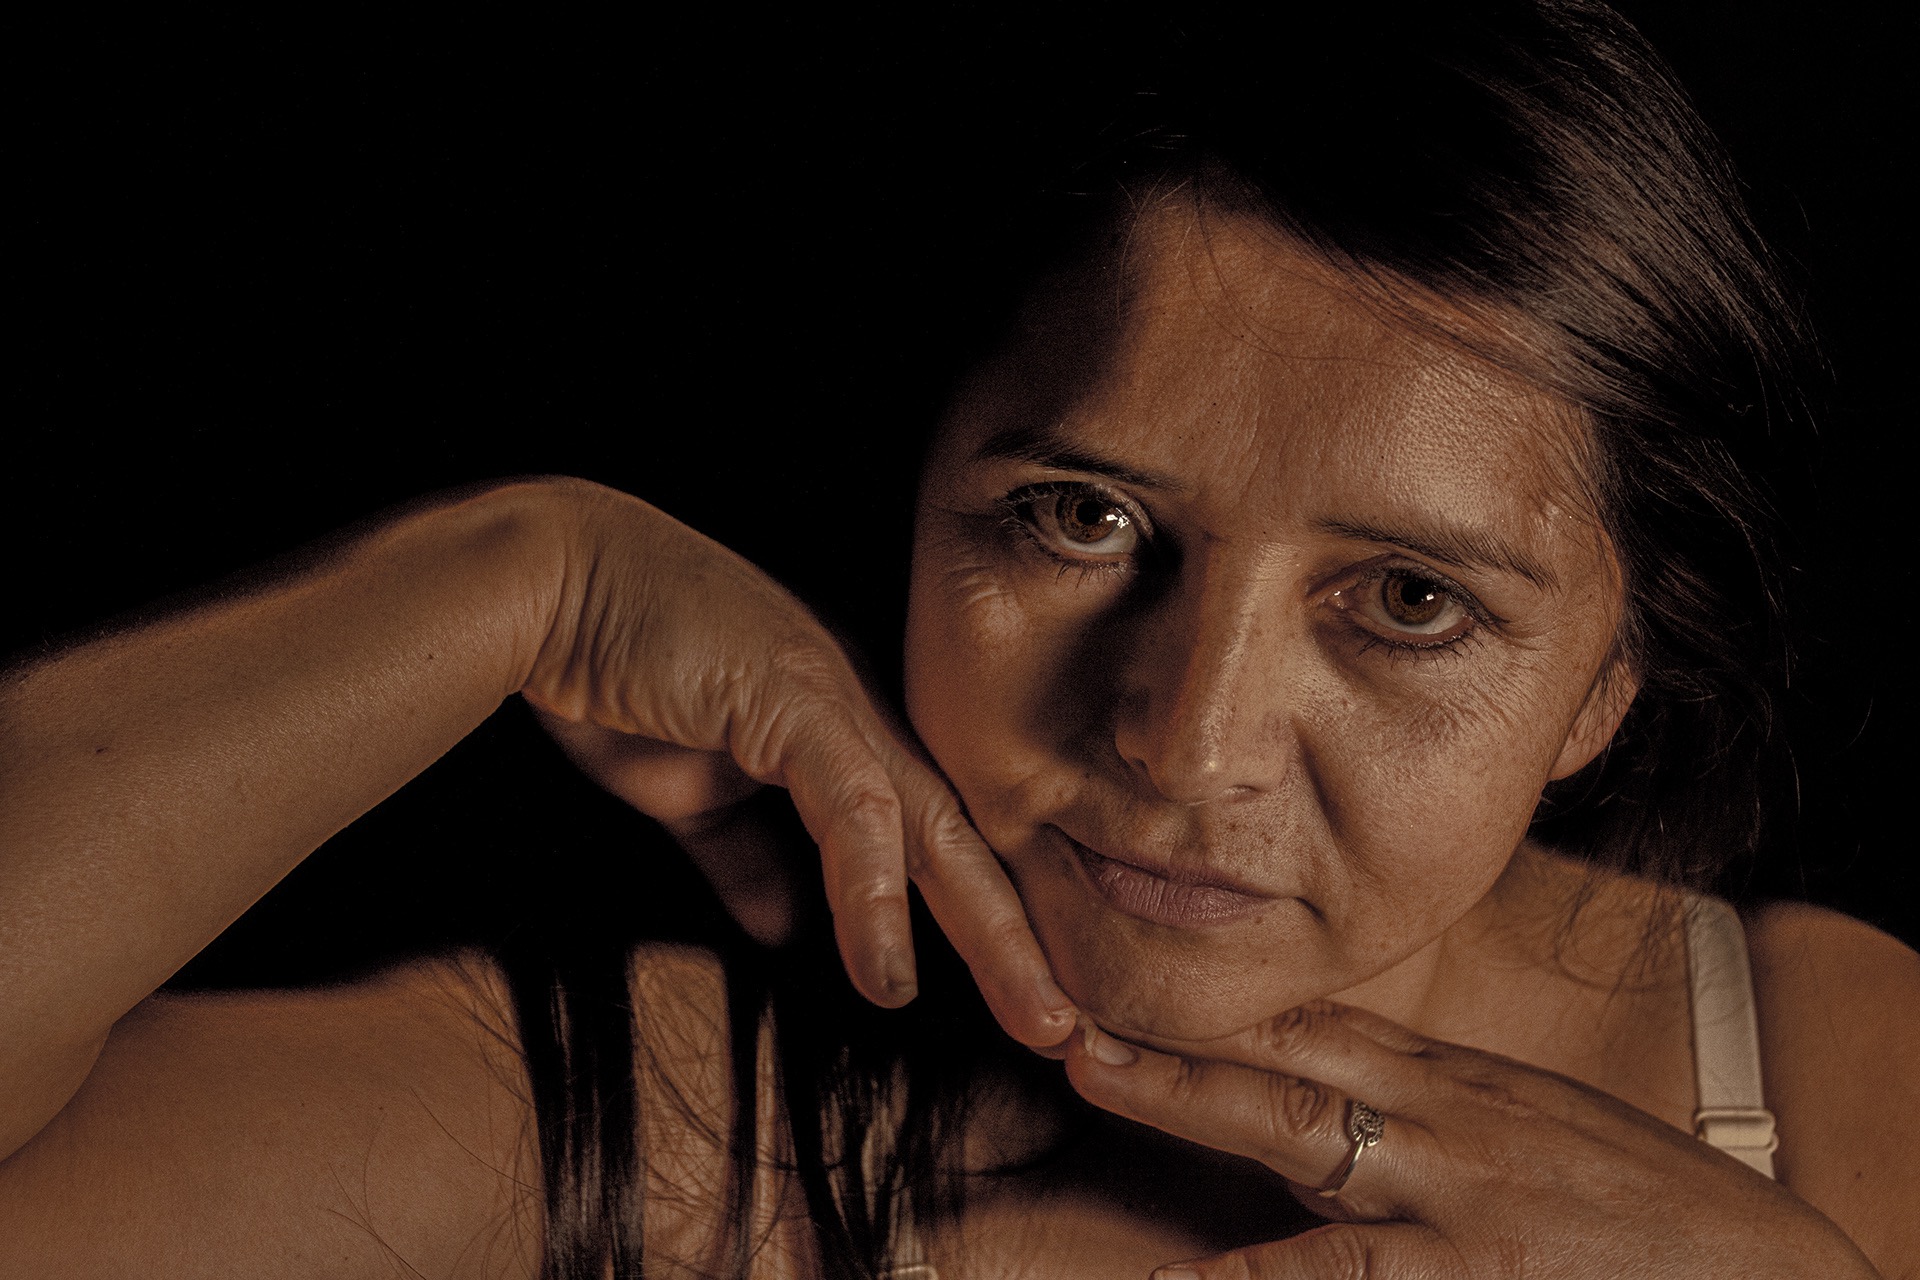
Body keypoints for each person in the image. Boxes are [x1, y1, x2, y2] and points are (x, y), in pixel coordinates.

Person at [2, 2, 1915, 1277]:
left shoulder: (1830, 1060)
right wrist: (513, 579)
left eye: (1410, 603)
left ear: (1606, 685)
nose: (1187, 737)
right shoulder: (672, 1119)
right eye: (1082, 520)